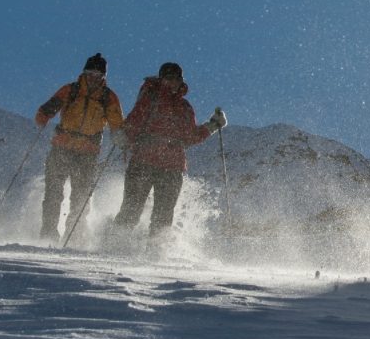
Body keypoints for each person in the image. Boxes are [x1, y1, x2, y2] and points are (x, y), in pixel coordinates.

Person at [111, 61, 226, 243]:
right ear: (161, 79)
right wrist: (123, 135)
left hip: (172, 167)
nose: (172, 82)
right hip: (143, 161)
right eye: (168, 78)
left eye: (176, 79)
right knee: (131, 210)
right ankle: (112, 245)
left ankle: (156, 253)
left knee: (163, 217)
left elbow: (190, 136)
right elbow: (134, 121)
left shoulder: (185, 107)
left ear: (181, 81)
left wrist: (212, 125)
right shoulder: (149, 99)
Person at [35, 53, 124, 245]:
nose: (93, 77)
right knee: (53, 194)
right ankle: (48, 234)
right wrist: (43, 115)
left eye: (97, 75)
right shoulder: (70, 90)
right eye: (90, 72)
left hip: (88, 153)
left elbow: (117, 123)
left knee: (81, 198)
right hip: (61, 147)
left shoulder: (108, 98)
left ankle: (74, 237)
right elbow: (48, 107)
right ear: (84, 72)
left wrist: (120, 138)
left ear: (103, 77)